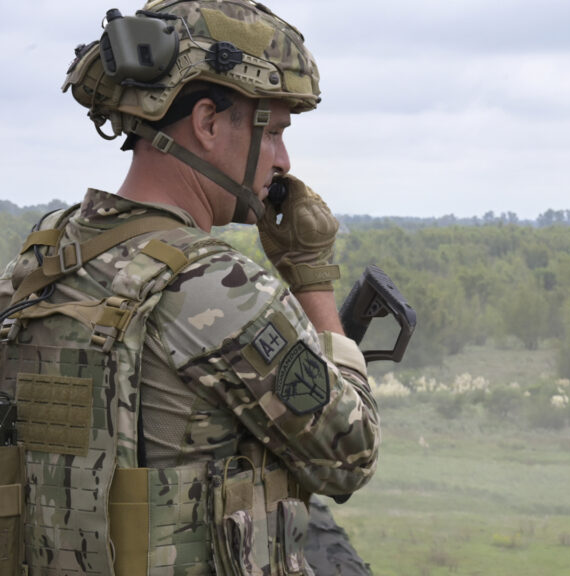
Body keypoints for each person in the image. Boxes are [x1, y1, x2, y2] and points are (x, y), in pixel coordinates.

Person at [0, 1, 378, 574]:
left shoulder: (43, 256)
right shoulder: (220, 289)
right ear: (206, 123)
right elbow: (350, 457)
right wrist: (311, 277)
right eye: (272, 130)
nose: (283, 160)